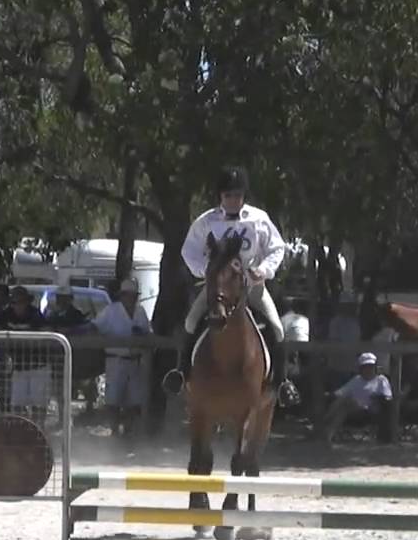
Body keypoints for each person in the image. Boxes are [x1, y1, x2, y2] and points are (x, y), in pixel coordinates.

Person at [162, 166, 299, 407]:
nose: (233, 201)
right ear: (220, 197)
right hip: (218, 288)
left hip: (251, 287)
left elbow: (277, 248)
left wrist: (264, 270)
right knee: (191, 321)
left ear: (244, 195)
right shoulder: (206, 222)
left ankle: (282, 382)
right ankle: (180, 373)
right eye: (228, 196)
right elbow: (188, 251)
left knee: (277, 327)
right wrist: (207, 270)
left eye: (237, 195)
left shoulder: (258, 219)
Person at [93, 279, 151, 435]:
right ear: (122, 295)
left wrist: (141, 335)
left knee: (134, 400)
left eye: (134, 295)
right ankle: (113, 431)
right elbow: (96, 327)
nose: (131, 298)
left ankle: (128, 430)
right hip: (115, 360)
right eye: (128, 295)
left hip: (135, 361)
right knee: (113, 399)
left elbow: (147, 333)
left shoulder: (140, 311)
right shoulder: (110, 311)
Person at [314, 353, 395, 443]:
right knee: (342, 409)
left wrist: (377, 398)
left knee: (345, 401)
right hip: (355, 409)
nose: (368, 369)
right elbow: (341, 392)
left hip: (370, 410)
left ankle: (323, 421)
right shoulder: (357, 380)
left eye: (370, 366)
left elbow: (388, 396)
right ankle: (327, 437)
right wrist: (328, 395)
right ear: (361, 368)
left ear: (375, 367)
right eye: (365, 367)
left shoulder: (381, 380)